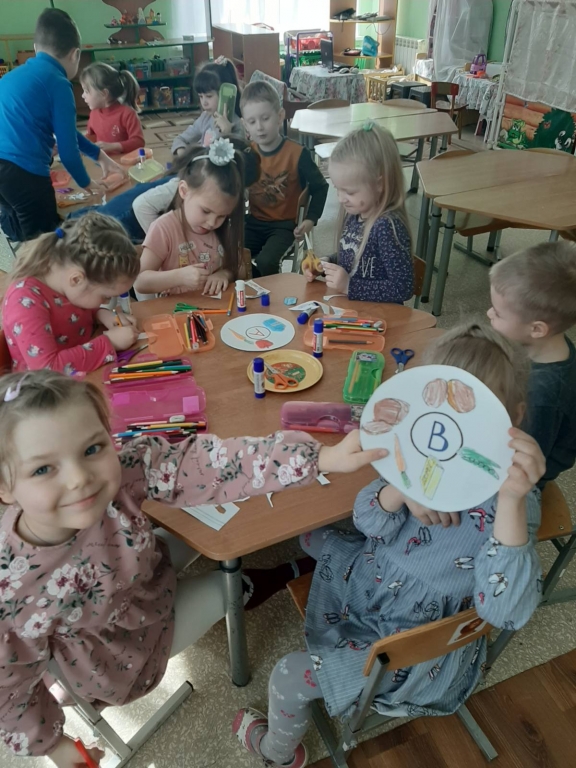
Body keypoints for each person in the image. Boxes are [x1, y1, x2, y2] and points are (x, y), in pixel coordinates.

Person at [0, 369, 385, 765]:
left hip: (145, 574)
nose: (79, 478)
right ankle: (265, 582)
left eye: (92, 448)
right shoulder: (12, 591)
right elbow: (7, 686)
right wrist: (54, 745)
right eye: (43, 469)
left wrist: (319, 458)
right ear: (4, 487)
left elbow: (208, 464)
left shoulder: (119, 472)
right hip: (126, 652)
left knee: (211, 536)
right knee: (230, 584)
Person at [234, 322, 544, 768]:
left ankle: (279, 754)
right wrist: (400, 491)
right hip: (373, 575)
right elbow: (368, 521)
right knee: (306, 535)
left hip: (403, 642)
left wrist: (511, 501)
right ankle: (299, 570)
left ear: (513, 417)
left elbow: (507, 612)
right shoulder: (420, 454)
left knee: (288, 676)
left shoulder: (514, 502)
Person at [0, 9, 121, 242]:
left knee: (17, 218)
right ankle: (33, 261)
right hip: (23, 172)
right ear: (75, 55)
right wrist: (87, 183)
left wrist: (99, 155)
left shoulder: (15, 75)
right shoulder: (58, 83)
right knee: (45, 238)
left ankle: (23, 247)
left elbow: (67, 133)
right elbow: (67, 152)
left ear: (35, 48)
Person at [3, 213, 140, 375]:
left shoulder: (65, 279)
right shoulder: (24, 302)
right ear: (76, 279)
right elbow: (48, 369)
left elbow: (78, 304)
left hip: (85, 371)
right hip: (49, 386)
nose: (106, 301)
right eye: (106, 297)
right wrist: (110, 343)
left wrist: (101, 314)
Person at [489, 241, 576, 488]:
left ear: (537, 329)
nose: (488, 313)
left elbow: (523, 466)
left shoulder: (541, 396)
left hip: (522, 481)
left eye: (498, 312)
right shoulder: (551, 345)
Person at [66, 135, 261, 244]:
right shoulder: (181, 185)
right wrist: (162, 242)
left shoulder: (198, 185)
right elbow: (141, 206)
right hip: (117, 223)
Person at [303, 123, 413, 303]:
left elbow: (403, 288)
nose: (341, 199)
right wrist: (326, 263)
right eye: (337, 188)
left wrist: (349, 286)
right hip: (352, 310)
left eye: (350, 192)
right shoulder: (356, 213)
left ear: (379, 184)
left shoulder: (386, 227)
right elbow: (354, 257)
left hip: (381, 316)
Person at [134, 137, 245, 298]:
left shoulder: (224, 227)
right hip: (175, 309)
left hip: (216, 306)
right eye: (205, 211)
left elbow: (240, 267)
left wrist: (224, 274)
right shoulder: (164, 228)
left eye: (222, 216)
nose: (212, 223)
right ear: (184, 191)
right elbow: (140, 282)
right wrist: (179, 277)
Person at [241, 80, 329, 277]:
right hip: (254, 222)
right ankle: (252, 283)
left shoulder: (298, 154)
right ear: (244, 124)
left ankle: (266, 287)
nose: (259, 127)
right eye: (252, 122)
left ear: (280, 116)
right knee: (231, 253)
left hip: (285, 226)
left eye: (265, 118)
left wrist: (310, 219)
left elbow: (321, 187)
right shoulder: (248, 153)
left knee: (266, 262)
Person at [171, 58, 245, 154]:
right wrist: (182, 153)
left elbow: (234, 158)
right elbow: (181, 139)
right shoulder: (205, 118)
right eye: (201, 96)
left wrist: (227, 133)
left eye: (209, 96)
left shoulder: (237, 124)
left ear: (226, 95)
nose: (204, 102)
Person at [80, 61, 144, 155]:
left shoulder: (127, 114)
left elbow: (139, 142)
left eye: (86, 91)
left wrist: (114, 146)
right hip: (103, 161)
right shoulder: (94, 113)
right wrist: (79, 144)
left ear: (104, 94)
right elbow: (92, 136)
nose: (82, 96)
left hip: (125, 161)